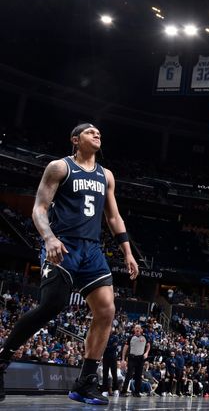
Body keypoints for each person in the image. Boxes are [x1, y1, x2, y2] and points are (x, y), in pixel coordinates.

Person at [0, 123, 138, 405]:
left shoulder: (106, 175)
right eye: (90, 132)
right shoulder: (59, 167)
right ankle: (2, 360)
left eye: (100, 131)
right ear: (75, 140)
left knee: (107, 310)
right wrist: (48, 238)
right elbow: (39, 207)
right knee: (52, 305)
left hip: (92, 249)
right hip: (63, 244)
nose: (97, 134)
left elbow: (113, 217)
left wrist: (128, 252)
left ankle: (85, 383)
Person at [120, 324, 149, 397]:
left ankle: (136, 392)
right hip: (132, 358)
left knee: (138, 376)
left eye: (139, 328)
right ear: (134, 329)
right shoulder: (130, 337)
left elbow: (148, 345)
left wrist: (146, 352)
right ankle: (123, 391)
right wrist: (123, 359)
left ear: (141, 330)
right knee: (129, 374)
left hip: (140, 359)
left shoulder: (145, 337)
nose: (137, 329)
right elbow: (125, 348)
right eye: (136, 328)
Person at [101, 326, 121, 396]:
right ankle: (104, 390)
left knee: (114, 374)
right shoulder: (104, 337)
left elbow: (114, 347)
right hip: (105, 357)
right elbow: (102, 347)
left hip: (113, 357)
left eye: (110, 329)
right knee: (105, 374)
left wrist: (106, 347)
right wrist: (107, 347)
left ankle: (116, 389)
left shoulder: (115, 337)